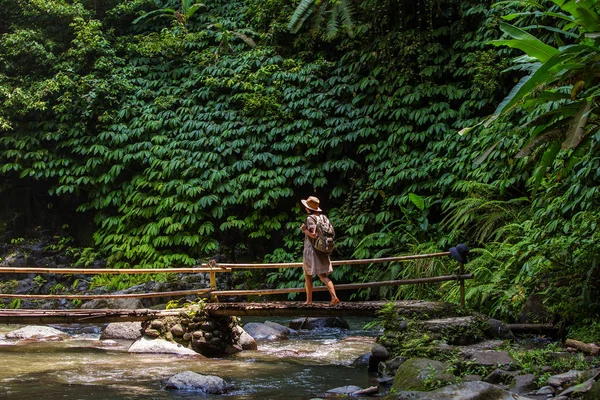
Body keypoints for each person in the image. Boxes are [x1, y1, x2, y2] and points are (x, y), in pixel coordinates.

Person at [300, 196, 340, 305]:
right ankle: (334, 297)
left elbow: (314, 235)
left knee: (308, 275)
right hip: (323, 248)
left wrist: (305, 230)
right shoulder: (323, 217)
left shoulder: (310, 218)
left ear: (308, 208)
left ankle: (308, 301)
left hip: (312, 250)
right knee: (323, 275)